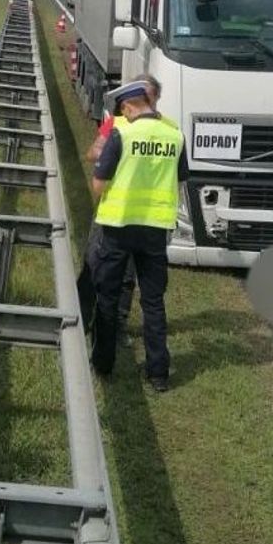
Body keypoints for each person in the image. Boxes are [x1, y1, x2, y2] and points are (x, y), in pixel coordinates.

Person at [90, 80, 187, 392]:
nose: (125, 116)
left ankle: (103, 364)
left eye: (124, 111)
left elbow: (99, 183)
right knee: (154, 301)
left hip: (118, 228)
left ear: (129, 107)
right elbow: (181, 179)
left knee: (108, 295)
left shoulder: (123, 134)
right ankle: (158, 373)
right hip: (156, 230)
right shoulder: (175, 136)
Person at [77, 76, 171, 345]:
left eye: (147, 94)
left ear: (153, 99)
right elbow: (92, 153)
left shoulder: (167, 129)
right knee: (93, 264)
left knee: (128, 276)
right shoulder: (116, 124)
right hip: (112, 211)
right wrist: (107, 149)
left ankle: (115, 327)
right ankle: (80, 319)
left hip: (146, 215)